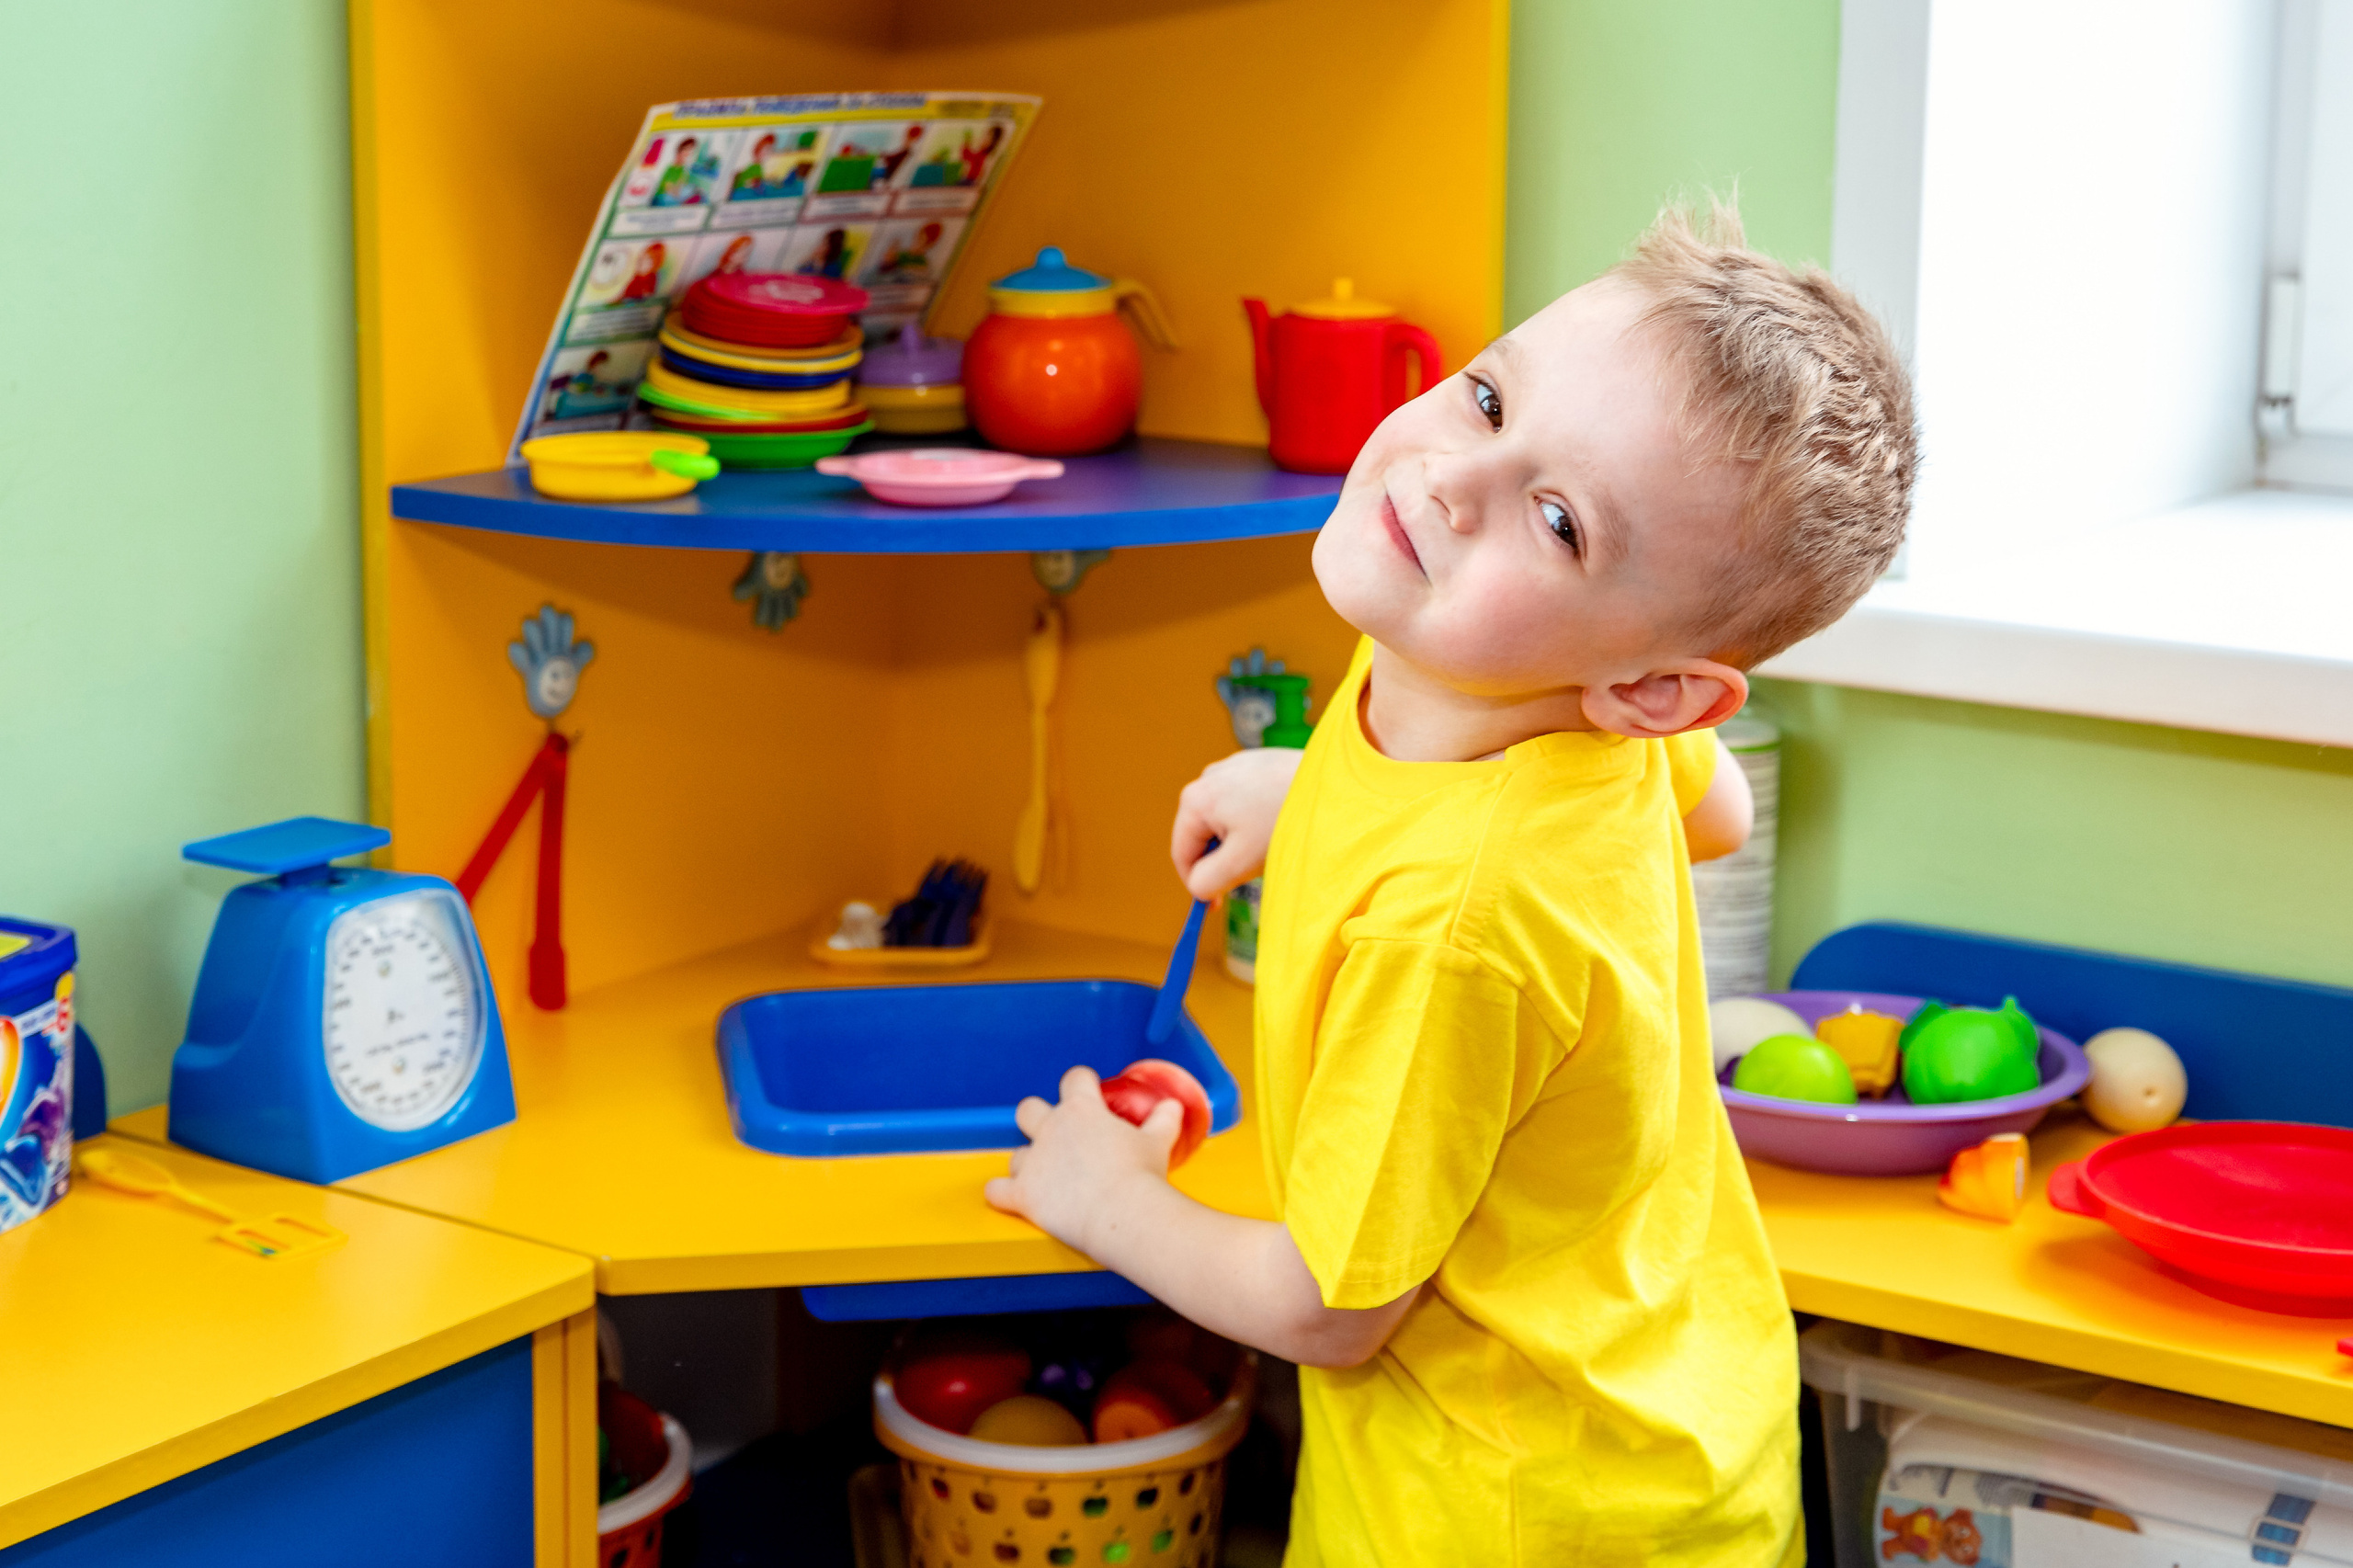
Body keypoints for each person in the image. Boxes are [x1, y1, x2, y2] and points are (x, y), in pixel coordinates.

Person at [984, 201, 1917, 1566]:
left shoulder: (1454, 930)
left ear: (1652, 685)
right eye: (1489, 397)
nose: (1446, 481)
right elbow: (1706, 802)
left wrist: (1106, 1199)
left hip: (1510, 1515)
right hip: (1665, 1431)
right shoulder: (1487, 670)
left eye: (1557, 521)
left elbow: (1326, 1308)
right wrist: (1315, 791)